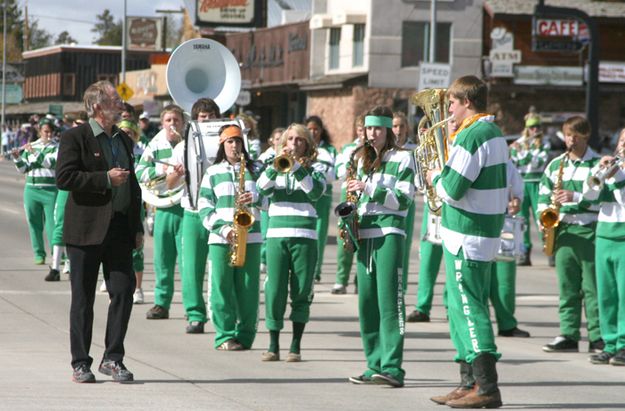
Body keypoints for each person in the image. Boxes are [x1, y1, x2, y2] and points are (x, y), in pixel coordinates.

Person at [56, 80, 143, 383]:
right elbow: (65, 178)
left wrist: (137, 226)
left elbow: (133, 185)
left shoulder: (123, 140)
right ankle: (81, 362)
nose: (120, 105)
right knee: (83, 299)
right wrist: (104, 179)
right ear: (97, 107)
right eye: (114, 101)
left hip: (119, 228)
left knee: (123, 290)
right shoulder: (74, 137)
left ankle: (113, 358)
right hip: (86, 229)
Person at [427, 75, 507, 408]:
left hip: (468, 234)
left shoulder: (474, 135)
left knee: (470, 309)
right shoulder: (492, 133)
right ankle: (468, 381)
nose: (449, 110)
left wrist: (434, 175)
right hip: (472, 233)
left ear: (467, 103)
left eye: (452, 103)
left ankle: (486, 387)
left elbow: (453, 188)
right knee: (457, 306)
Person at [347, 106, 414, 389]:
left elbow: (404, 199)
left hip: (389, 232)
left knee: (390, 302)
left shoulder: (403, 158)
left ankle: (393, 367)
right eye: (368, 129)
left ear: (388, 131)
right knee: (367, 303)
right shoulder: (360, 160)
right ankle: (373, 364)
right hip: (365, 234)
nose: (372, 134)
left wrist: (368, 189)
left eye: (378, 129)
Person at [256, 123, 326, 362]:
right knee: (274, 289)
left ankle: (295, 345)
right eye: (290, 140)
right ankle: (273, 344)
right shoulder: (272, 167)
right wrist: (277, 167)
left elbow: (315, 193)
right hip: (277, 235)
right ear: (282, 143)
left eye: (300, 140)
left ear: (307, 145)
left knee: (301, 291)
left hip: (305, 236)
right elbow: (261, 189)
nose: (294, 144)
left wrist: (296, 167)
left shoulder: (315, 170)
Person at [538, 116, 603, 354]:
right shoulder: (556, 164)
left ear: (586, 136)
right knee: (567, 287)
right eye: (567, 135)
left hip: (588, 229)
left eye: (576, 135)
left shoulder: (597, 164)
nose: (571, 140)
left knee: (592, 287)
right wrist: (543, 216)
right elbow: (543, 194)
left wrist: (575, 197)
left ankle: (598, 336)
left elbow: (602, 199)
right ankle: (568, 333)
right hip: (563, 230)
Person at [198, 124, 263, 350]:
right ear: (222, 145)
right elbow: (203, 207)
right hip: (222, 238)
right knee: (221, 287)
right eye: (230, 142)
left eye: (238, 141)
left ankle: (245, 335)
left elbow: (271, 199)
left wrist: (255, 197)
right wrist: (224, 229)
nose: (235, 146)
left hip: (251, 237)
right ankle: (224, 335)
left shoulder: (257, 169)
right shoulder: (212, 172)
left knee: (248, 288)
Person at [166, 98, 221, 333]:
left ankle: (223, 315)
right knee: (191, 267)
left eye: (210, 116)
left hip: (222, 212)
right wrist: (178, 174)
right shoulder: (183, 146)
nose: (206, 119)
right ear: (195, 119)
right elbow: (169, 184)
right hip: (193, 211)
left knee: (221, 269)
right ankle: (196, 314)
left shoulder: (228, 142)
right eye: (201, 116)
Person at [136, 105, 185, 320]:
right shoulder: (155, 146)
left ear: (183, 123)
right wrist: (162, 170)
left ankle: (192, 307)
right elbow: (139, 172)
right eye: (168, 120)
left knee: (186, 262)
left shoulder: (189, 145)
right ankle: (161, 303)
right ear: (162, 123)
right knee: (163, 259)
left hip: (186, 207)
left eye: (176, 120)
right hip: (164, 206)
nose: (172, 124)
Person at [583, 128, 625, 366]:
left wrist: (618, 176)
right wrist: (598, 170)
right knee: (606, 295)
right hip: (605, 235)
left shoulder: (620, 172)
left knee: (624, 296)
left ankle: (624, 344)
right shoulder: (611, 165)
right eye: (622, 140)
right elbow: (588, 195)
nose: (623, 145)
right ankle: (609, 344)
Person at [11, 117, 59, 268]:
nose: (49, 135)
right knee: (34, 223)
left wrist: (35, 153)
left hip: (50, 190)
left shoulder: (57, 147)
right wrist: (17, 158)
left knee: (52, 225)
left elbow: (50, 163)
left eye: (51, 132)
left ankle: (56, 255)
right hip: (31, 190)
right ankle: (39, 254)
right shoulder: (31, 146)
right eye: (46, 132)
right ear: (40, 131)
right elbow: (23, 169)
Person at [490, 161, 531, 338]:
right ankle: (477, 327)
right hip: (476, 223)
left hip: (504, 222)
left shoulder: (506, 163)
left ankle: (506, 323)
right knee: (480, 280)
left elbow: (517, 188)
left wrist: (517, 200)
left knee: (505, 277)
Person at [510, 112, 551, 266]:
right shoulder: (519, 142)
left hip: (537, 183)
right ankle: (524, 252)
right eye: (532, 127)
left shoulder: (545, 143)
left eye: (537, 127)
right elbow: (517, 161)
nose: (535, 130)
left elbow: (537, 162)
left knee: (541, 217)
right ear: (527, 129)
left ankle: (549, 249)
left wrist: (521, 152)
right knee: (522, 219)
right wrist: (517, 149)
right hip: (522, 183)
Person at [332, 115, 364, 294]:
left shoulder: (375, 149)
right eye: (360, 130)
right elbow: (338, 172)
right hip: (348, 191)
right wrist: (350, 164)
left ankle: (361, 280)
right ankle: (340, 280)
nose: (363, 135)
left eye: (365, 130)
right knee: (344, 236)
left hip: (364, 192)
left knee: (362, 235)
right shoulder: (348, 149)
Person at [118, 119, 147, 304]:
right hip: (118, 202)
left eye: (130, 133)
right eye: (123, 132)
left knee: (137, 247)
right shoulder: (115, 150)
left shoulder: (142, 153)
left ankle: (138, 288)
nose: (126, 136)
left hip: (136, 204)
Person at [305, 115, 337, 282]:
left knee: (319, 234)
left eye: (316, 129)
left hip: (323, 196)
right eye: (309, 129)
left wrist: (317, 171)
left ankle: (316, 270)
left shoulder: (329, 150)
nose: (313, 132)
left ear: (321, 130)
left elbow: (332, 175)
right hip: (304, 197)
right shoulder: (301, 146)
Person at [392, 111, 417, 292]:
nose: (398, 130)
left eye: (401, 126)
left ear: (407, 128)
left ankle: (401, 287)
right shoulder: (385, 149)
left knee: (404, 246)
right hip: (385, 202)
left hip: (406, 200)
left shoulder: (414, 149)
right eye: (394, 126)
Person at [258, 127, 285, 273]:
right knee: (265, 232)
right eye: (277, 139)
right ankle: (263, 259)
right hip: (266, 199)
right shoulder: (265, 157)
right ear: (271, 141)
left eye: (283, 139)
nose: (280, 142)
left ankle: (273, 260)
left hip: (280, 197)